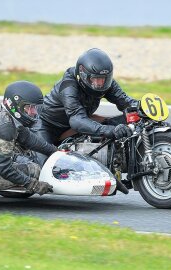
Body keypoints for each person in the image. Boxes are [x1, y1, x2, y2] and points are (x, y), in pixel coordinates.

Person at [34, 48, 140, 193]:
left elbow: (126, 102)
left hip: (76, 123)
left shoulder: (105, 84)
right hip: (47, 126)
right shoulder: (69, 85)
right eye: (95, 79)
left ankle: (112, 166)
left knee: (117, 123)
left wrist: (142, 108)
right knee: (41, 173)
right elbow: (77, 120)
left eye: (103, 79)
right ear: (82, 75)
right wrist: (109, 131)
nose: (99, 84)